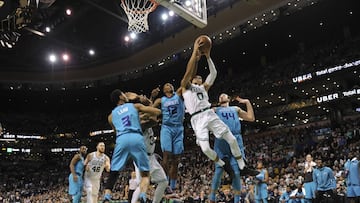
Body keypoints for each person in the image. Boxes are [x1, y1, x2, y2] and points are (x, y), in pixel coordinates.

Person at [179, 36, 245, 170]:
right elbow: (189, 71)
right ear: (192, 79)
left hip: (209, 113)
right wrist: (194, 52)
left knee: (231, 139)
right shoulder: (186, 86)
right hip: (197, 118)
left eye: (200, 77)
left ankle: (241, 164)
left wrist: (208, 57)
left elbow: (213, 73)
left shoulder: (203, 87)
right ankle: (221, 164)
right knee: (205, 149)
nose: (198, 77)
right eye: (196, 77)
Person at [103, 89, 161, 202]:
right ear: (121, 96)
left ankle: (107, 195)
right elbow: (156, 112)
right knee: (145, 174)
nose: (126, 95)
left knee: (114, 171)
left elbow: (116, 131)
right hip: (136, 137)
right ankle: (143, 195)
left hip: (121, 139)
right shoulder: (134, 106)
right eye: (124, 94)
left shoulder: (110, 116)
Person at [209, 93, 256, 203]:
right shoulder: (215, 109)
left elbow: (251, 118)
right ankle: (211, 198)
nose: (221, 97)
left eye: (223, 95)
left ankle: (237, 200)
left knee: (236, 171)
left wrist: (247, 102)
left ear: (228, 99)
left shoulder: (236, 109)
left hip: (236, 137)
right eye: (219, 96)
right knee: (219, 169)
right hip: (221, 139)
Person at [152, 83, 185, 191]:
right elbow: (149, 108)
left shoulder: (179, 94)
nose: (168, 85)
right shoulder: (160, 100)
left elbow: (186, 81)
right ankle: (164, 182)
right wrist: (152, 96)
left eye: (170, 84)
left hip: (179, 128)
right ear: (163, 90)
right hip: (167, 128)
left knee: (176, 160)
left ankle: (173, 185)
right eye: (166, 85)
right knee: (166, 155)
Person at [131, 128, 168, 203]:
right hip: (142, 156)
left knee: (164, 182)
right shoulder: (141, 124)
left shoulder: (149, 126)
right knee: (141, 183)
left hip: (152, 157)